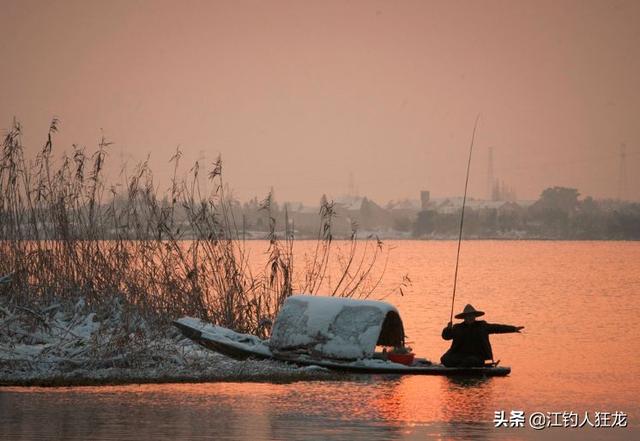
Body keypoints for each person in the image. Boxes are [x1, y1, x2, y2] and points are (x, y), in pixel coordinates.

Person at [441, 304, 524, 367]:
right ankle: (460, 366)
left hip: (478, 355)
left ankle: (463, 366)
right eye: (468, 316)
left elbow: (497, 328)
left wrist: (513, 329)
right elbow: (446, 336)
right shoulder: (457, 327)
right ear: (464, 317)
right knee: (444, 359)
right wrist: (448, 329)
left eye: (472, 315)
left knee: (470, 361)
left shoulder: (482, 326)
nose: (470, 317)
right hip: (461, 355)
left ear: (475, 316)